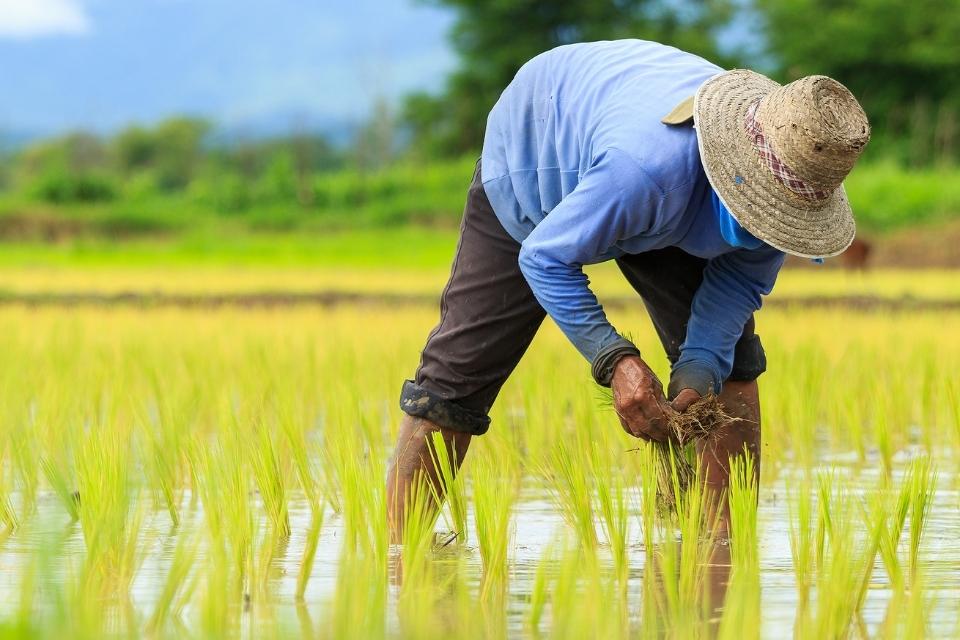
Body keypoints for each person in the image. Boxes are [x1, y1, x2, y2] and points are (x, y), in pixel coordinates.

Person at [387, 39, 870, 539]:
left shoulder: (792, 187)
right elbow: (545, 256)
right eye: (763, 210)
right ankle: (400, 552)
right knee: (456, 380)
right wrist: (614, 359)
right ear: (733, 176)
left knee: (731, 367)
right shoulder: (646, 171)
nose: (771, 225)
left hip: (662, 192)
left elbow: (739, 282)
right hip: (540, 152)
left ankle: (721, 547)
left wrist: (700, 366)